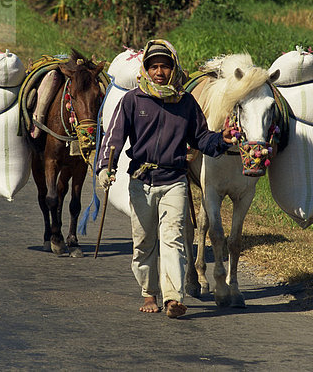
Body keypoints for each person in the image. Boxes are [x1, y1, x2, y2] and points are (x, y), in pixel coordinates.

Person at [96, 39, 233, 319]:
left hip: (174, 180)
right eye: (154, 66)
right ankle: (149, 291)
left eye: (165, 66)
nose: (160, 72)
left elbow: (202, 138)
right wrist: (104, 168)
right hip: (141, 180)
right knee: (144, 242)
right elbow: (114, 137)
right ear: (146, 70)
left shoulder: (185, 103)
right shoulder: (133, 100)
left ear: (174, 69)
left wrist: (223, 140)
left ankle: (172, 298)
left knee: (173, 239)